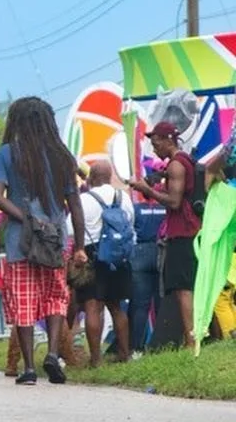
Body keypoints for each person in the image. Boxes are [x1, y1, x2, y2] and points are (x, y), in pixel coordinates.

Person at [0, 97, 86, 386]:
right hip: (56, 241)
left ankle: (29, 368)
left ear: (17, 122)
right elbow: (75, 205)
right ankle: (53, 355)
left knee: (24, 301)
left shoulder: (7, 153)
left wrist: (26, 218)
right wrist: (80, 246)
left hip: (21, 242)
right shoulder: (62, 156)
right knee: (55, 298)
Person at [128, 121, 201, 350]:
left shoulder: (176, 165)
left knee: (183, 288)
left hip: (183, 232)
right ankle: (194, 336)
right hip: (186, 231)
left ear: (169, 140)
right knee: (183, 286)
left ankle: (191, 340)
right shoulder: (181, 163)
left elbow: (175, 202)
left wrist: (147, 190)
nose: (154, 148)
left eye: (156, 143)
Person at [77, 160, 134, 367]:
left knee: (93, 306)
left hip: (93, 255)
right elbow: (130, 223)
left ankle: (96, 359)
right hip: (118, 256)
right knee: (117, 307)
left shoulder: (85, 199)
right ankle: (124, 354)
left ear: (91, 177)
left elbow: (71, 228)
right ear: (110, 176)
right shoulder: (123, 197)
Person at [128, 194, 165, 355]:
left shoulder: (135, 209)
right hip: (161, 251)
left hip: (140, 253)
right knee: (160, 302)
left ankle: (136, 348)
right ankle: (160, 344)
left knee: (140, 306)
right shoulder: (165, 208)